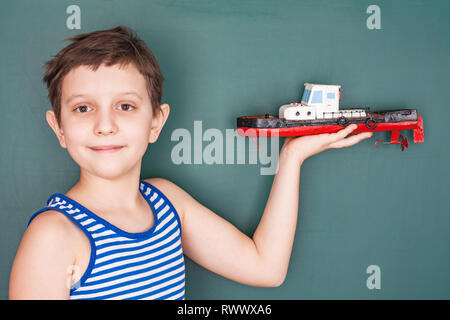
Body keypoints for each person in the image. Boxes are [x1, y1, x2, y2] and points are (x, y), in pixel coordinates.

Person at [9, 26, 372, 300]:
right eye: (83, 108)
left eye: (125, 106)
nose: (105, 126)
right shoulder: (53, 236)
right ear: (59, 128)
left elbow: (266, 267)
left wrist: (292, 156)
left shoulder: (168, 205)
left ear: (156, 122)